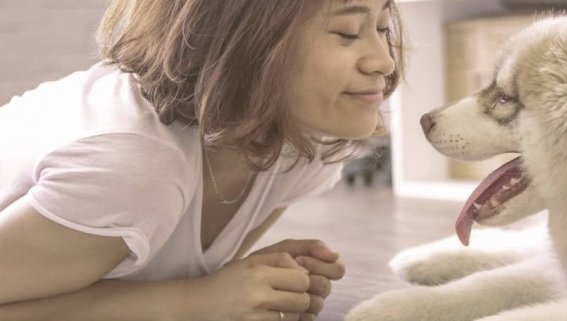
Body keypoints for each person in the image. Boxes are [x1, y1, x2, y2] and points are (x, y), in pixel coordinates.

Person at [0, 0, 403, 320]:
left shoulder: (302, 146)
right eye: (346, 32)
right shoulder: (132, 168)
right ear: (244, 41)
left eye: (383, 27)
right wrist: (193, 302)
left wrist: (247, 284)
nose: (383, 61)